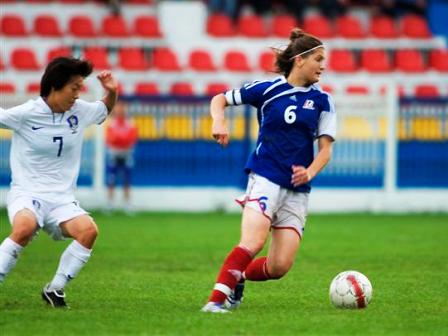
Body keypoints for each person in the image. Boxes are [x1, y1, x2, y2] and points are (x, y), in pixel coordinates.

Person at [201, 28, 336, 313]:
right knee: (253, 241)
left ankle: (239, 277)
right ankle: (215, 302)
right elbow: (219, 99)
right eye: (318, 59)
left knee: (279, 267)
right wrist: (218, 121)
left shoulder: (323, 100)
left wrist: (309, 172)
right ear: (300, 60)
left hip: (297, 189)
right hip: (264, 176)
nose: (323, 66)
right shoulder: (268, 89)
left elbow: (325, 150)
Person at [0, 57, 118, 308]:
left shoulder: (79, 111)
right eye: (74, 87)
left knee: (88, 231)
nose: (78, 94)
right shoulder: (26, 114)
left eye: (80, 88)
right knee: (24, 228)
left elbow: (104, 110)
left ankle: (55, 289)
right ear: (55, 86)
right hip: (27, 193)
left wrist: (112, 92)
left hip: (61, 199)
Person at [105, 100, 138, 213]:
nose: (120, 111)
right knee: (111, 180)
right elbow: (110, 139)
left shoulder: (130, 124)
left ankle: (127, 204)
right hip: (114, 154)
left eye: (122, 109)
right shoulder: (111, 124)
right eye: (118, 109)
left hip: (126, 154)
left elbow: (132, 139)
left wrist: (119, 139)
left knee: (127, 180)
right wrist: (121, 139)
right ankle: (110, 204)